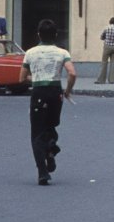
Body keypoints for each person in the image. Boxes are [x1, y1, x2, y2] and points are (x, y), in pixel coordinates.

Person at [21, 19, 76, 186]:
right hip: (55, 92)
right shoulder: (62, 52)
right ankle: (51, 147)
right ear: (56, 35)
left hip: (38, 92)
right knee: (51, 125)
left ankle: (42, 172)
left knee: (37, 133)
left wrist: (36, 77)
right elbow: (72, 73)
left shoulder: (30, 53)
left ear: (38, 34)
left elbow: (22, 78)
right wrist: (67, 91)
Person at [95, 16, 114, 84]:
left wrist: (105, 38)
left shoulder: (107, 28)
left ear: (110, 21)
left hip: (107, 46)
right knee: (113, 63)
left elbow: (102, 36)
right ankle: (112, 80)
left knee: (104, 62)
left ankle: (101, 80)